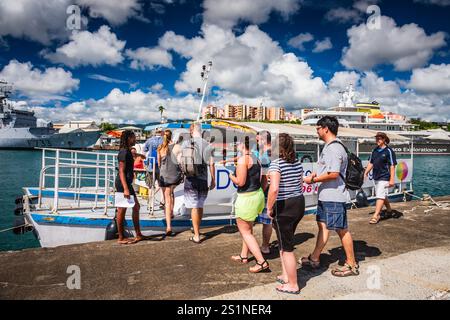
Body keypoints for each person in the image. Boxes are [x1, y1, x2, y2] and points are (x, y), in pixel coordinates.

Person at [303, 116, 359, 277]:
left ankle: (351, 264)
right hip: (327, 195)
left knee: (342, 230)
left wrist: (313, 179)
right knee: (323, 227)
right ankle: (314, 258)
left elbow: (334, 174)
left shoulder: (334, 148)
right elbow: (329, 171)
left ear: (326, 128)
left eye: (318, 128)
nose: (317, 131)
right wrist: (318, 175)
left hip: (334, 196)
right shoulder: (332, 147)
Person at [267, 133, 305, 294]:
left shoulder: (276, 164)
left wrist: (269, 208)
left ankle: (293, 284)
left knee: (287, 248)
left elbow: (274, 189)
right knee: (284, 242)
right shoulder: (297, 163)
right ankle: (285, 275)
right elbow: (300, 182)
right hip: (298, 203)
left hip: (285, 207)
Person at [229, 136, 268, 273]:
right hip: (257, 196)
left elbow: (240, 182)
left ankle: (261, 262)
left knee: (245, 232)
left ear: (241, 144)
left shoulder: (242, 159)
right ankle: (244, 256)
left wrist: (230, 176)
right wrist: (261, 192)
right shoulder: (256, 158)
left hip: (246, 198)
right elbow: (264, 178)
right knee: (248, 228)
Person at [181, 122, 215, 244]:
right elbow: (211, 163)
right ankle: (197, 229)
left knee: (194, 206)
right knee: (200, 205)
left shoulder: (186, 143)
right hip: (204, 179)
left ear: (191, 130)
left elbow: (181, 159)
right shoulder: (208, 145)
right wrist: (213, 179)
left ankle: (196, 235)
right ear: (201, 131)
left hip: (191, 179)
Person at [115, 130, 145, 245]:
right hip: (123, 184)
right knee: (122, 209)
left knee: (136, 206)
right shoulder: (123, 152)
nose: (135, 139)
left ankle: (138, 234)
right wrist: (126, 188)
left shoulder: (127, 151)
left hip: (127, 183)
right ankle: (121, 237)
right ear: (128, 138)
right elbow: (121, 171)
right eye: (133, 137)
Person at [364, 132, 397, 224]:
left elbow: (392, 166)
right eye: (376, 138)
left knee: (379, 195)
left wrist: (392, 179)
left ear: (384, 140)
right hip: (376, 176)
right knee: (382, 194)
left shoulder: (388, 151)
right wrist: (366, 172)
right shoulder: (374, 150)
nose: (377, 140)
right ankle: (389, 210)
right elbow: (371, 162)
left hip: (385, 176)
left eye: (379, 138)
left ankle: (376, 215)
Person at [157, 129, 183, 236]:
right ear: (172, 136)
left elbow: (159, 163)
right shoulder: (177, 147)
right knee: (172, 193)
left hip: (163, 176)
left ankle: (168, 224)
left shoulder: (160, 148)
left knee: (166, 197)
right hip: (174, 176)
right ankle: (171, 214)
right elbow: (180, 162)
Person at [253, 130, 273, 255]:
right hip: (279, 191)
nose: (257, 142)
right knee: (273, 220)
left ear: (263, 140)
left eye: (258, 140)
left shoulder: (266, 155)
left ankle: (265, 246)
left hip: (268, 192)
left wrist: (260, 191)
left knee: (267, 221)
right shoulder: (277, 152)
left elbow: (265, 179)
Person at [143, 128, 164, 208]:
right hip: (161, 166)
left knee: (151, 185)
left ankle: (150, 203)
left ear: (155, 132)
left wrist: (145, 163)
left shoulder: (149, 140)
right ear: (162, 132)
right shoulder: (164, 141)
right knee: (162, 185)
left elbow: (144, 151)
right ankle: (162, 202)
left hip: (151, 166)